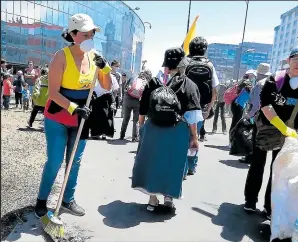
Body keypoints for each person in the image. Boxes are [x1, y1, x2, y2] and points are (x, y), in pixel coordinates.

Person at [34, 13, 112, 218]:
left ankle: (68, 199)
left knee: (74, 161)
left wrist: (105, 69)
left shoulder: (94, 56)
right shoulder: (61, 56)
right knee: (55, 160)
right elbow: (53, 93)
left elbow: (107, 86)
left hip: (82, 118)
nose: (89, 37)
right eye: (85, 33)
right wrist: (73, 108)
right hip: (59, 115)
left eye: (92, 33)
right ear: (73, 34)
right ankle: (42, 200)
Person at [132, 47, 202, 212]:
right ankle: (169, 198)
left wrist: (141, 126)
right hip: (177, 131)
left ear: (166, 65)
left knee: (152, 162)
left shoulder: (154, 82)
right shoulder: (189, 85)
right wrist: (194, 137)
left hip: (153, 129)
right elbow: (192, 116)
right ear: (183, 65)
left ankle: (152, 198)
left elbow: (143, 107)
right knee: (173, 164)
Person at [244, 47, 298, 221]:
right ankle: (250, 200)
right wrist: (282, 127)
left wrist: (290, 131)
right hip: (265, 129)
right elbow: (266, 107)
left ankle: (270, 207)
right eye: (295, 58)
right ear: (288, 61)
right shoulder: (274, 80)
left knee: (277, 171)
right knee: (257, 164)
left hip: (288, 135)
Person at [185, 36, 219, 174]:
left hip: (184, 106)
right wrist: (208, 109)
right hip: (201, 108)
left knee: (183, 136)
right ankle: (192, 166)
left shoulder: (185, 63)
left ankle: (182, 167)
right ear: (205, 50)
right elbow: (215, 90)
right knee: (195, 136)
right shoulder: (210, 65)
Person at [239, 63, 271, 164]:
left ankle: (251, 158)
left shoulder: (259, 84)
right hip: (267, 114)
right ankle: (255, 158)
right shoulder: (270, 82)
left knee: (254, 137)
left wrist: (249, 114)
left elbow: (257, 103)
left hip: (258, 114)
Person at [120, 70, 152, 142]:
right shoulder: (146, 82)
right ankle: (134, 137)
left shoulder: (134, 78)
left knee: (126, 118)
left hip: (127, 99)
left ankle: (122, 135)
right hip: (137, 101)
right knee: (135, 120)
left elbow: (126, 87)